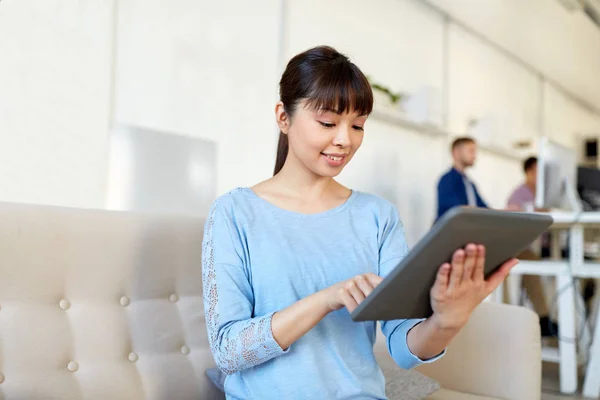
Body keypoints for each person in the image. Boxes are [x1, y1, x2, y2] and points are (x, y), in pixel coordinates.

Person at [202, 45, 518, 399]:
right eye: (327, 123)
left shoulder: (378, 217)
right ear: (283, 117)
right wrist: (326, 299)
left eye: (357, 126)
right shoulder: (234, 212)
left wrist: (447, 320)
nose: (345, 140)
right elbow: (228, 350)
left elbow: (402, 346)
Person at [506, 156, 558, 337]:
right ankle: (544, 319)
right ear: (529, 172)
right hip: (523, 246)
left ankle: (547, 318)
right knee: (532, 263)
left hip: (546, 245)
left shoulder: (544, 195)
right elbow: (512, 218)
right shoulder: (519, 194)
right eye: (537, 171)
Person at [436, 137, 488, 222]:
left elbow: (483, 208)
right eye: (471, 151)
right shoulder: (447, 181)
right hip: (450, 232)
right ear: (456, 152)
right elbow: (456, 209)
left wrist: (504, 212)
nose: (474, 156)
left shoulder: (470, 184)